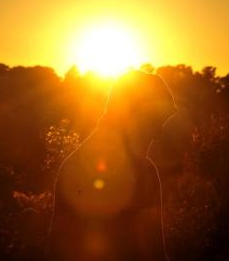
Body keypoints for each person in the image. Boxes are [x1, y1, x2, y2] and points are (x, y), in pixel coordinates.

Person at [48, 70, 177, 261]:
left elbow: (55, 248)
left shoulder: (72, 164)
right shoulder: (143, 172)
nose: (159, 135)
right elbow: (154, 252)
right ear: (137, 117)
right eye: (156, 123)